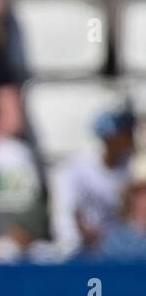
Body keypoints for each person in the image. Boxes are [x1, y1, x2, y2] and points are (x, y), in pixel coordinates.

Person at [50, 107, 138, 257]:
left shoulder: (131, 166)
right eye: (126, 133)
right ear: (110, 138)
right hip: (80, 250)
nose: (131, 139)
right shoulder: (75, 168)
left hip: (116, 247)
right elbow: (66, 214)